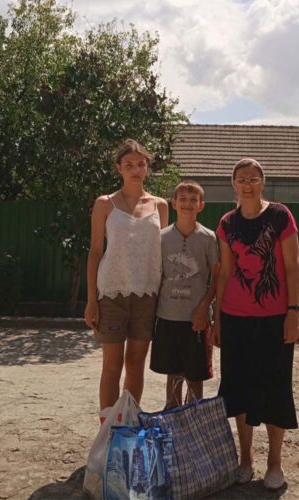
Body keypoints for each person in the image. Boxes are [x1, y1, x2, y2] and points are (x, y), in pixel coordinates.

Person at [213, 158, 299, 491]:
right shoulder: (227, 222)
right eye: (241, 179)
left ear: (262, 182)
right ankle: (245, 460)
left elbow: (293, 266)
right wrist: (217, 317)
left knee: (276, 388)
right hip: (235, 318)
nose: (247, 184)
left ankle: (274, 464)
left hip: (275, 318)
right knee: (239, 388)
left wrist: (293, 310)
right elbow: (224, 272)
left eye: (253, 178)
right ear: (233, 184)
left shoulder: (280, 216)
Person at [84, 139, 168, 423]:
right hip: (111, 294)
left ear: (147, 168)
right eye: (129, 164)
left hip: (147, 295)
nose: (135, 169)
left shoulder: (160, 205)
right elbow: (96, 252)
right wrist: (91, 300)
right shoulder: (104, 204)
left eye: (141, 164)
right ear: (118, 168)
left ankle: (128, 427)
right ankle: (108, 434)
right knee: (111, 366)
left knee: (135, 365)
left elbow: (163, 253)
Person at [150, 180, 219, 406]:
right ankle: (172, 415)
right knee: (173, 372)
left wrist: (204, 308)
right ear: (174, 203)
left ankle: (193, 416)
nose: (187, 204)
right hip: (168, 315)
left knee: (196, 374)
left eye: (193, 200)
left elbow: (217, 277)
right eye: (183, 200)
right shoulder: (161, 237)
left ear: (201, 205)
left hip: (196, 319)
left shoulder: (208, 238)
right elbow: (156, 276)